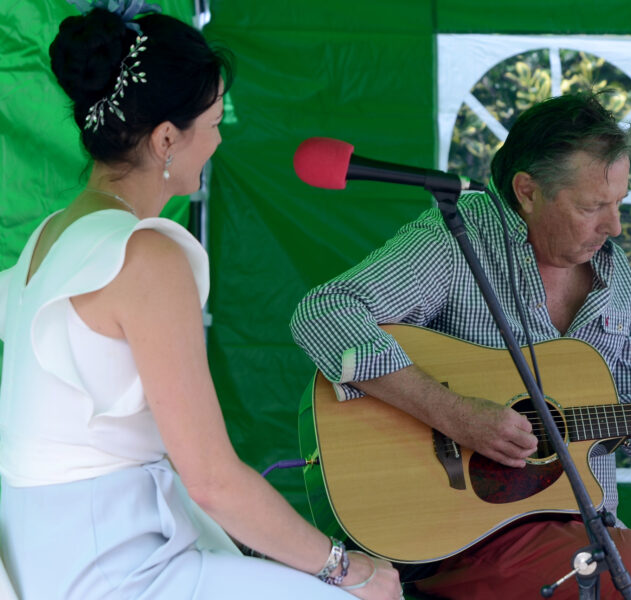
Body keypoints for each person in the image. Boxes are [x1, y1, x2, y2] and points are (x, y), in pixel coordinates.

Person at [290, 92, 631, 599]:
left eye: (619, 202)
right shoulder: (463, 235)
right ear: (528, 191)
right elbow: (325, 314)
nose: (616, 226)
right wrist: (454, 414)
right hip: (454, 536)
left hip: (577, 530)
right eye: (591, 206)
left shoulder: (610, 274)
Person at [0, 4, 401, 600]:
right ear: (166, 138)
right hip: (110, 566)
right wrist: (349, 570)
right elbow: (212, 479)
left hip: (40, 550)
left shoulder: (51, 235)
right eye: (214, 121)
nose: (218, 139)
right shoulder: (142, 256)